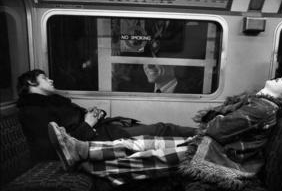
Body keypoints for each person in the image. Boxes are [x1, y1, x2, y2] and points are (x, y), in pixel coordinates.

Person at [48, 77, 282, 188]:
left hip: (224, 158)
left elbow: (217, 129)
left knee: (152, 155)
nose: (281, 79)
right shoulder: (259, 103)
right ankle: (80, 149)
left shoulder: (263, 107)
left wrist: (218, 118)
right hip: (212, 146)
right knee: (144, 141)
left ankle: (87, 164)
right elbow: (216, 127)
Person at [16, 69, 196, 162]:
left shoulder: (55, 102)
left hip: (103, 131)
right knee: (161, 129)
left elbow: (77, 123)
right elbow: (59, 146)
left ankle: (203, 134)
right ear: (31, 82)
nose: (51, 80)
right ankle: (205, 134)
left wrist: (94, 115)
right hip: (98, 138)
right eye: (45, 78)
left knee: (161, 129)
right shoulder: (32, 110)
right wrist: (88, 124)